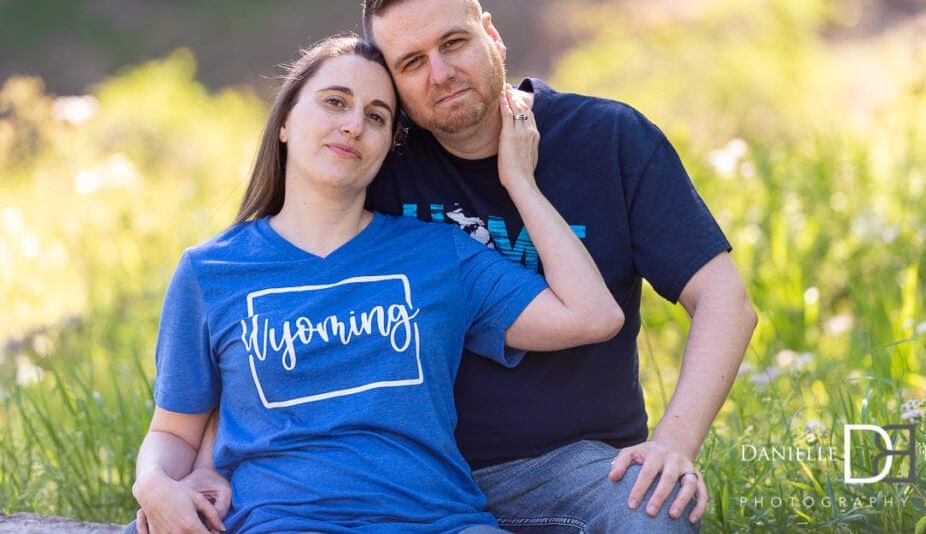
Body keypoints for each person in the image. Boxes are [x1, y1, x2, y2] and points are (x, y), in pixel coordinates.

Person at [163, 0, 758, 532]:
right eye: (412, 62)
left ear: (491, 35)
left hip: (569, 467)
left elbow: (725, 301)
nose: (440, 74)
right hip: (406, 478)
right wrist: (201, 467)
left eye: (453, 43)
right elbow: (266, 306)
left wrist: (674, 445)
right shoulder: (379, 158)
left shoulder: (607, 140)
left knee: (652, 514)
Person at [129, 33, 624, 533]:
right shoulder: (210, 272)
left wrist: (520, 182)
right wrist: (152, 483)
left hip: (441, 522)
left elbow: (592, 316)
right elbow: (175, 430)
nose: (353, 125)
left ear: (388, 146)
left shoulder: (438, 254)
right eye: (335, 102)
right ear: (283, 121)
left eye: (376, 116)